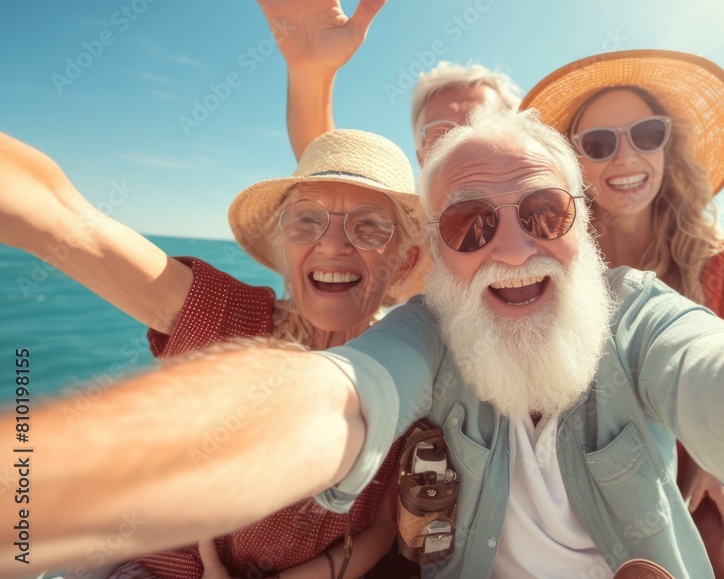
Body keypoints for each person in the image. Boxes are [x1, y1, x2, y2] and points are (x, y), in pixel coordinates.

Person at [9, 105, 724, 579]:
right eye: (470, 227)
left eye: (540, 212)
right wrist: (38, 494)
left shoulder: (637, 313)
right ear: (438, 256)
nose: (511, 246)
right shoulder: (421, 335)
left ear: (580, 219)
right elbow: (328, 404)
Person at [0, 128, 425, 579]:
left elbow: (381, 530)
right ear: (285, 246)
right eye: (306, 221)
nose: (333, 243)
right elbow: (63, 217)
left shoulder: (409, 372)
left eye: (368, 226)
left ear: (404, 261)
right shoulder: (235, 320)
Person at [522, 50, 724, 577]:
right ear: (573, 163)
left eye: (646, 135)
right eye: (599, 144)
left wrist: (696, 491)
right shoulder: (550, 262)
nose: (626, 158)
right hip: (579, 482)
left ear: (668, 147)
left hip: (698, 472)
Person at [223, 0, 521, 164]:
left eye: (482, 124)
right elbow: (326, 161)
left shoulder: (557, 215)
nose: (462, 142)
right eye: (441, 133)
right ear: (420, 155)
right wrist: (311, 73)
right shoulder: (405, 228)